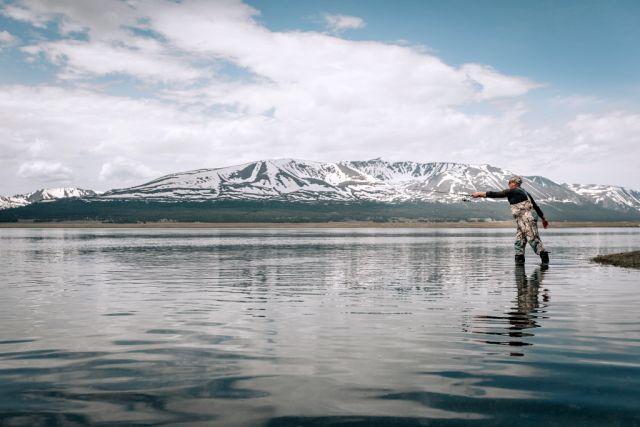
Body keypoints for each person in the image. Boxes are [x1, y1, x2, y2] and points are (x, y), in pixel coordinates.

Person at [472, 176, 550, 264]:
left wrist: (479, 194)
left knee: (532, 238)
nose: (509, 184)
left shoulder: (513, 190)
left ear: (514, 183)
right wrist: (543, 219)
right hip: (522, 220)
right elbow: (535, 206)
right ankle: (519, 263)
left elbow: (495, 194)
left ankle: (545, 262)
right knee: (519, 241)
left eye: (510, 182)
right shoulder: (525, 192)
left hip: (527, 218)